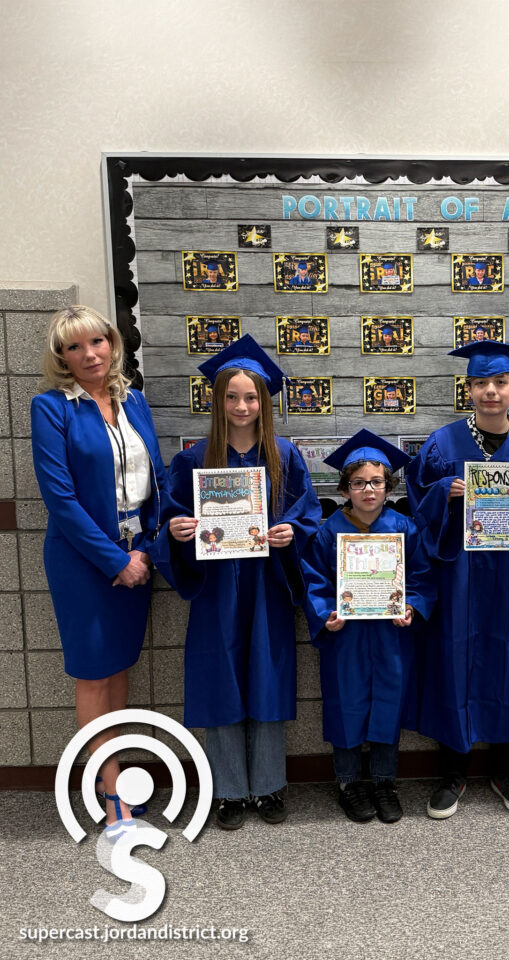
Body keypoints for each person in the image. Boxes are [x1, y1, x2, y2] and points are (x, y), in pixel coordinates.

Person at [153, 335, 319, 830]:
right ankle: (227, 789)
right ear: (217, 400)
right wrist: (176, 531)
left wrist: (293, 532)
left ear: (264, 402)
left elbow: (307, 515)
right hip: (218, 587)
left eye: (251, 397)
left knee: (267, 676)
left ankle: (268, 785)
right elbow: (169, 516)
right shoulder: (193, 458)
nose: (242, 406)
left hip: (268, 584)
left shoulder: (284, 455)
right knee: (220, 678)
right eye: (231, 397)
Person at [405, 341, 509, 818]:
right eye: (481, 383)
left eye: (500, 382)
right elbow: (417, 500)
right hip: (459, 573)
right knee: (453, 659)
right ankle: (452, 771)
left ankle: (505, 768)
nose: (491, 391)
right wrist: (443, 490)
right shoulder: (443, 443)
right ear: (469, 389)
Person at [31, 306, 167, 838]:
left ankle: (117, 781)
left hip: (138, 558)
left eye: (97, 341)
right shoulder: (51, 408)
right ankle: (113, 797)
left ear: (112, 343)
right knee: (93, 674)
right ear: (61, 356)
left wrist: (147, 551)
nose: (89, 354)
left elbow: (156, 481)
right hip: (84, 564)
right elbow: (60, 499)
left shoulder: (135, 402)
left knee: (119, 667)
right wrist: (115, 561)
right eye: (74, 347)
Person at [301, 431, 436, 824]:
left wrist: (411, 607)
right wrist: (326, 613)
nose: (368, 490)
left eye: (376, 482)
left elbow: (422, 577)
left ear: (388, 487)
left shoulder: (404, 527)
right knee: (346, 703)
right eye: (358, 483)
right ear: (345, 489)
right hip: (347, 636)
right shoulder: (329, 531)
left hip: (391, 634)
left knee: (388, 704)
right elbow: (315, 581)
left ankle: (383, 782)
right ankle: (348, 783)